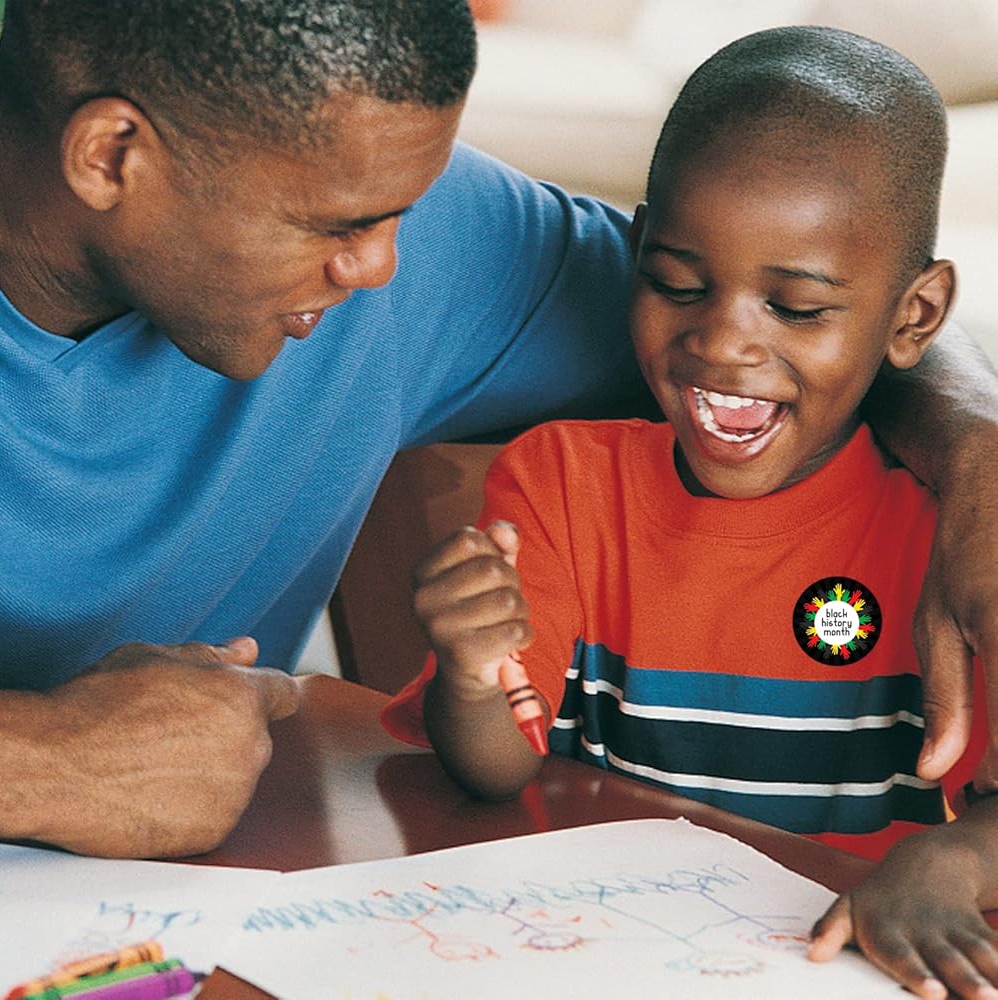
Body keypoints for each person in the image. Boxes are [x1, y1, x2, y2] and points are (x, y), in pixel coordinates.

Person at [0, 2, 996, 862]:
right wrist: (41, 761)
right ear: (112, 156)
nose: (383, 271)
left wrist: (974, 447)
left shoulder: (418, 235)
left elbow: (812, 317)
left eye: (398, 216)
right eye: (337, 227)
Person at [382, 27, 998, 999]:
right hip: (587, 957)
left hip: (836, 968)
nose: (720, 341)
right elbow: (494, 767)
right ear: (636, 255)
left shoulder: (947, 538)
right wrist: (468, 669)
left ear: (912, 316)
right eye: (678, 284)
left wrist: (954, 861)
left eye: (796, 308)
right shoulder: (560, 484)